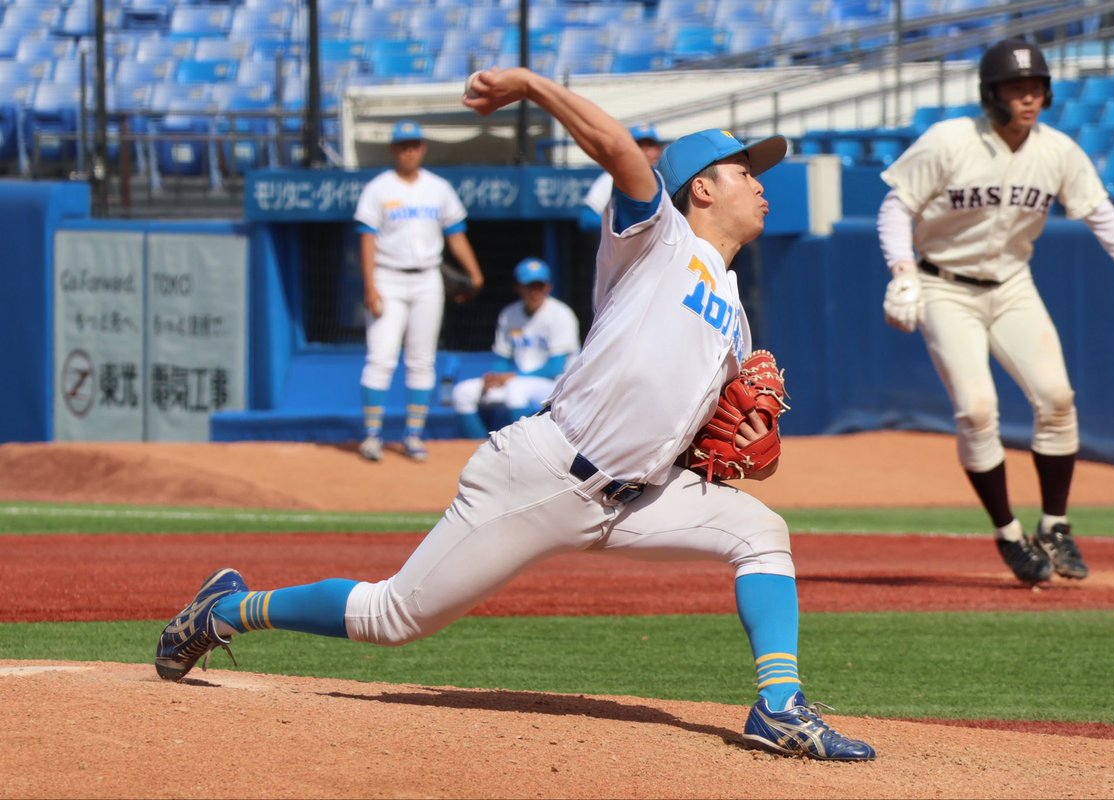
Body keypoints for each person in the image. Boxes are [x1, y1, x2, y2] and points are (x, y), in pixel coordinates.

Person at [154, 67, 876, 762]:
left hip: (633, 500)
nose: (759, 183)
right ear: (701, 189)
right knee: (393, 617)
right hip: (543, 471)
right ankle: (226, 611)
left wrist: (754, 443)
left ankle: (778, 706)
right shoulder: (657, 239)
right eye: (743, 170)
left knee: (759, 529)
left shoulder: (737, 324)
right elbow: (619, 151)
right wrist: (530, 85)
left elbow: (713, 445)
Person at [877, 38, 1114, 586]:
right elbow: (897, 204)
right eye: (1017, 87)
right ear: (991, 93)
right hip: (945, 286)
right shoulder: (950, 140)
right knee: (976, 410)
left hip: (1013, 284)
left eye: (1037, 86)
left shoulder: (1058, 151)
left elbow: (1104, 217)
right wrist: (902, 271)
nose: (1030, 97)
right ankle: (1009, 533)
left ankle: (1056, 525)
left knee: (1058, 399)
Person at [355, 119, 485, 464]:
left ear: (422, 148)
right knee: (381, 356)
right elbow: (366, 239)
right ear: (394, 149)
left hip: (428, 277)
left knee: (422, 360)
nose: (409, 151)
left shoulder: (438, 188)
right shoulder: (378, 188)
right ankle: (372, 435)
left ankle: (413, 434)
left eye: (414, 145)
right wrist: (369, 285)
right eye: (403, 145)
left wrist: (474, 272)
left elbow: (455, 231)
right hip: (388, 277)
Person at [450, 256, 580, 439]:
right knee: (462, 392)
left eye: (539, 286)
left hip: (556, 385)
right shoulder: (509, 314)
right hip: (519, 381)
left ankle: (520, 450)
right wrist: (494, 377)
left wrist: (511, 377)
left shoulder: (561, 314)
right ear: (518, 287)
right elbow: (504, 359)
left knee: (515, 390)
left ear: (548, 287)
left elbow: (556, 367)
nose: (535, 292)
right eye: (529, 286)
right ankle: (482, 448)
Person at [577, 123, 665, 231]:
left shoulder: (666, 177)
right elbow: (587, 219)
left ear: (659, 150)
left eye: (650, 145)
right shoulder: (611, 177)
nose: (645, 151)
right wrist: (625, 228)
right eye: (639, 145)